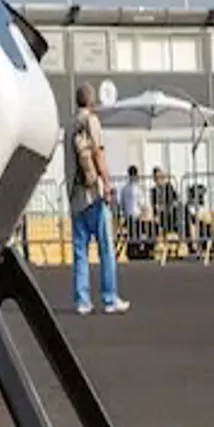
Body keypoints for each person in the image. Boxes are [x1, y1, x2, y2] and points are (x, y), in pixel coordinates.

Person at [64, 83, 128, 315]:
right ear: (91, 101)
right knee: (105, 248)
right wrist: (108, 185)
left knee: (80, 251)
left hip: (75, 196)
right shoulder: (92, 122)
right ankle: (109, 298)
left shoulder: (69, 126)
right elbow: (98, 155)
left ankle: (82, 300)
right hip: (94, 194)